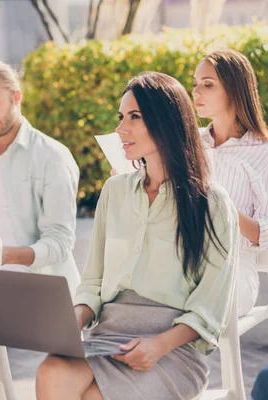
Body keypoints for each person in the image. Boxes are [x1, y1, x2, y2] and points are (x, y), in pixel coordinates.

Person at [36, 72, 239, 400]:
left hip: (173, 349)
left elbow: (210, 306)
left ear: (166, 122)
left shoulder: (211, 203)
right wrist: (70, 325)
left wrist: (158, 346)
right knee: (51, 371)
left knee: (92, 397)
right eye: (120, 117)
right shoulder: (114, 191)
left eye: (134, 117)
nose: (120, 129)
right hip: (107, 337)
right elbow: (92, 285)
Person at [0, 59, 81, 294]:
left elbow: (60, 242)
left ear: (16, 97)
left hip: (46, 292)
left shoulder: (53, 156)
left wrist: (4, 256)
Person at [192, 49, 268, 317]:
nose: (196, 92)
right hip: (184, 261)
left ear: (235, 90)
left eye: (208, 84)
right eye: (195, 84)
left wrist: (223, 210)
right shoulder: (190, 144)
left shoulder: (262, 152)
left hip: (234, 268)